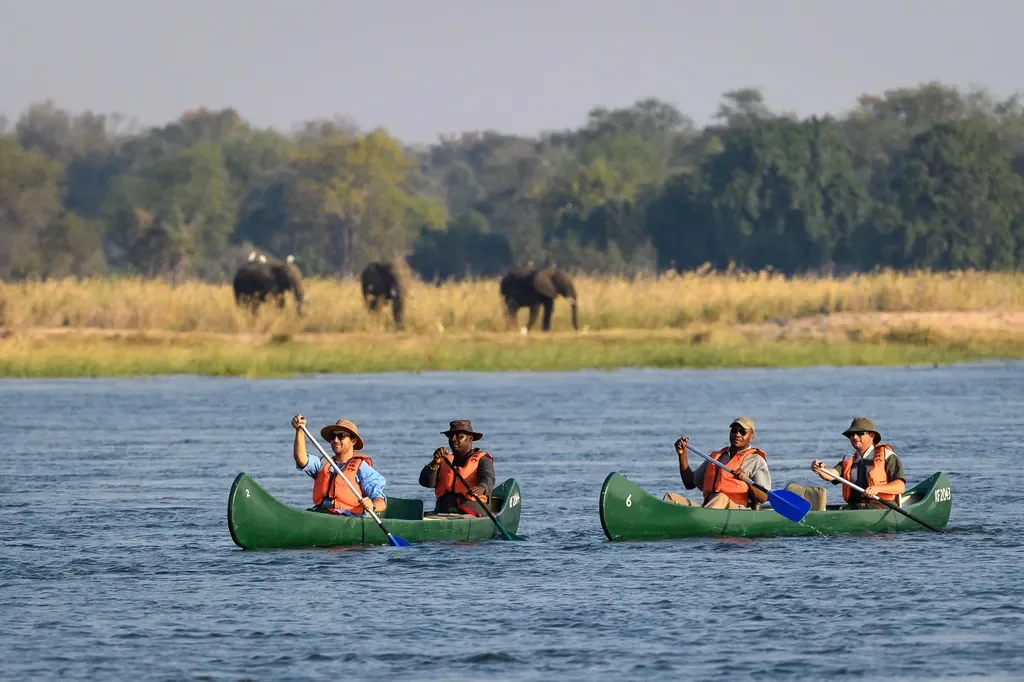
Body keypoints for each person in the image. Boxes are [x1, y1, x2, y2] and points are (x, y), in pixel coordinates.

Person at [788, 416, 906, 510]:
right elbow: (832, 474)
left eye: (860, 433)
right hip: (856, 508)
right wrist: (820, 469)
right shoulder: (849, 460)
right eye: (851, 434)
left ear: (872, 435)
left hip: (882, 507)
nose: (855, 437)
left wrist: (877, 488)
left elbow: (900, 487)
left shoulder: (887, 456)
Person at [663, 416, 771, 510]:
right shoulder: (717, 457)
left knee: (721, 497)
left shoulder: (756, 460)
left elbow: (763, 498)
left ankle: (700, 521)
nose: (737, 434)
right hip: (708, 508)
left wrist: (747, 480)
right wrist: (682, 455)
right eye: (734, 430)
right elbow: (689, 483)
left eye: (742, 432)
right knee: (670, 497)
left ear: (751, 437)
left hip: (737, 511)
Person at [290, 415, 387, 516]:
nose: (335, 440)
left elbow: (381, 501)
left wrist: (372, 505)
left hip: (347, 518)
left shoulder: (362, 468)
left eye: (341, 436)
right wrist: (299, 430)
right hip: (320, 512)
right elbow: (301, 460)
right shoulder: (323, 464)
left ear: (353, 441)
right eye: (333, 437)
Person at [419, 419, 495, 517]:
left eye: (459, 436)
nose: (453, 439)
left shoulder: (483, 459)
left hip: (471, 512)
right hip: (443, 511)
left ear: (470, 438)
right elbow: (426, 483)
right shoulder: (443, 460)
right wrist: (434, 463)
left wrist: (482, 488)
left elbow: (488, 479)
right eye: (451, 436)